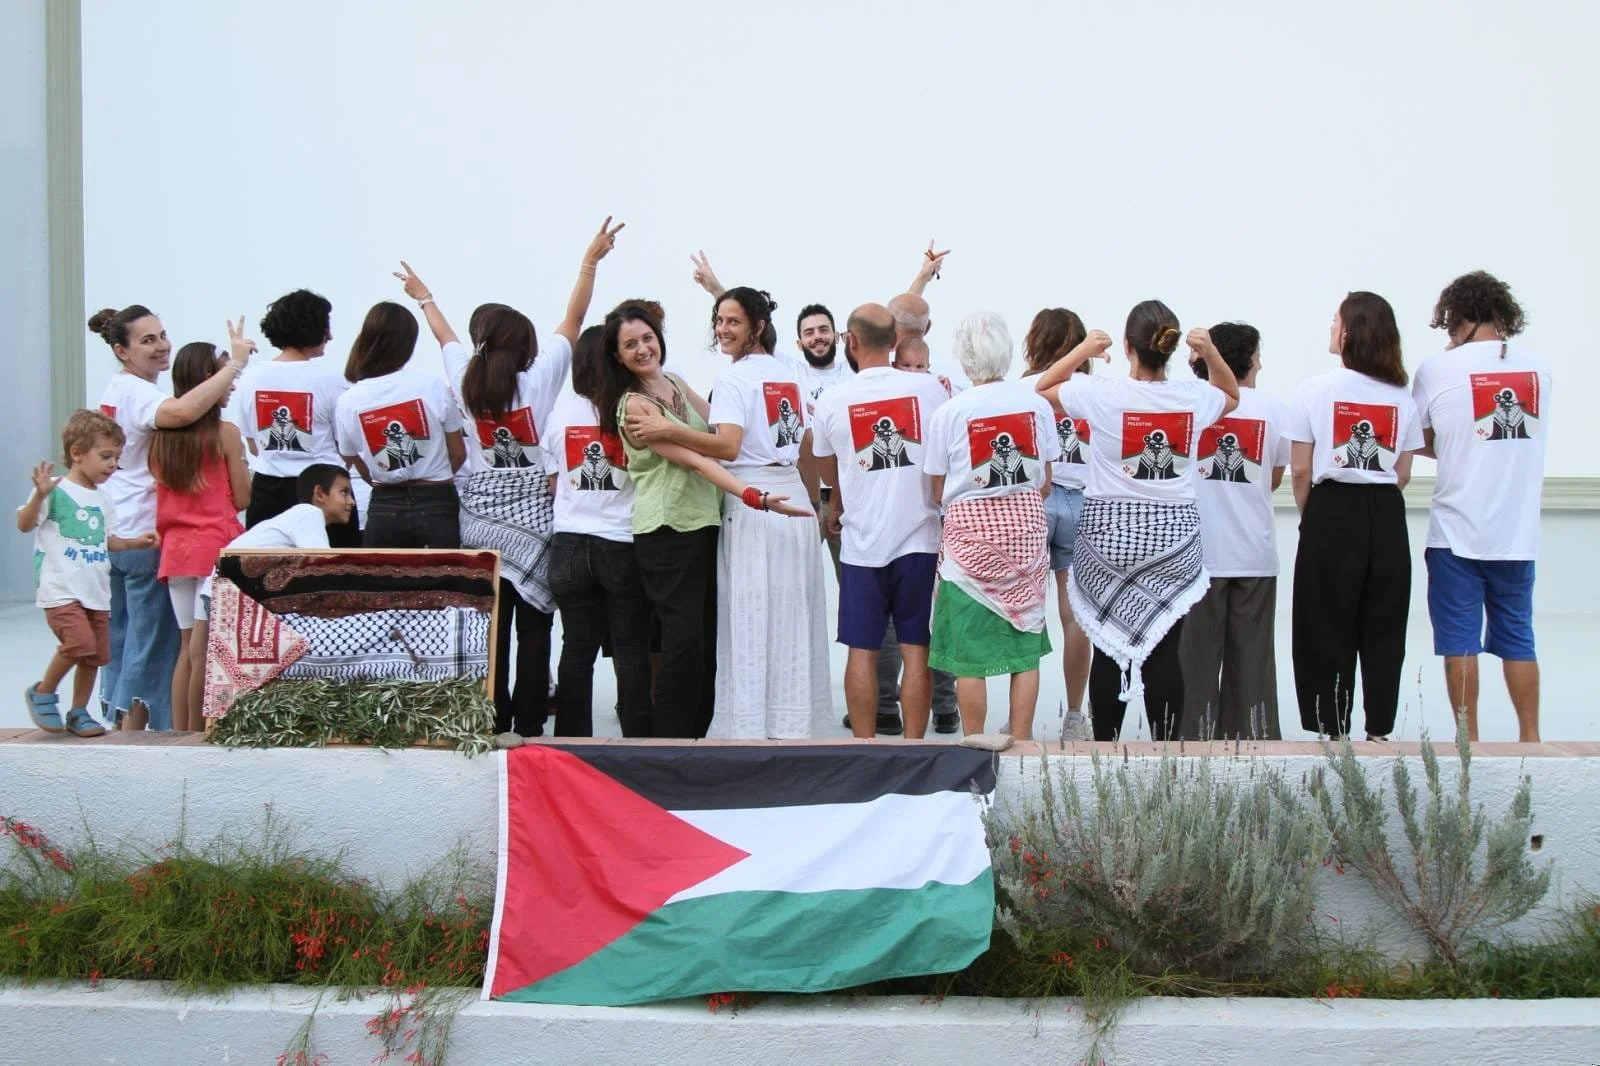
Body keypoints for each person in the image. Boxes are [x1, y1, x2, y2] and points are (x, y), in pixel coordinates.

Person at [397, 220, 620, 737]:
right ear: (524, 347)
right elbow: (575, 317)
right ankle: (529, 725)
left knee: (492, 627)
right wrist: (590, 261)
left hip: (478, 518)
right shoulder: (538, 381)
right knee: (537, 623)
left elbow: (445, 334)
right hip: (534, 516)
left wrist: (424, 296)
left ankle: (491, 719)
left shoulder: (462, 377)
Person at [625, 287, 830, 738]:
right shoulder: (788, 372)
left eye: (732, 321)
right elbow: (807, 447)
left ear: (757, 326)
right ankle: (795, 724)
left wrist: (666, 426)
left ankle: (750, 727)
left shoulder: (738, 379)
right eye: (718, 320)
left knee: (750, 616)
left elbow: (727, 445)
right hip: (792, 496)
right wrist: (814, 504)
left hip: (753, 500)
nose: (722, 329)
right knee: (793, 616)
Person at [1034, 302, 1239, 742]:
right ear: (1171, 348)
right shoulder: (1192, 396)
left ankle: (1105, 749)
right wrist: (1212, 356)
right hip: (1173, 538)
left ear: (1127, 347)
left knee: (1108, 647)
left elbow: (1045, 385)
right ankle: (1167, 755)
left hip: (1109, 535)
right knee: (1166, 648)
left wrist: (1084, 348)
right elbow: (1232, 396)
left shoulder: (1101, 393)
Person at [93, 306, 253, 730]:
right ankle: (135, 737)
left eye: (162, 335)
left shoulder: (118, 387)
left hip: (130, 537)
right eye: (147, 340)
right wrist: (235, 363)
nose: (161, 344)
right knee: (152, 648)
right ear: (121, 350)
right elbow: (182, 413)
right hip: (147, 539)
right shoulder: (144, 396)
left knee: (128, 642)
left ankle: (119, 727)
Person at [1413, 271, 1551, 742]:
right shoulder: (1539, 369)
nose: (1449, 335)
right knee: (1518, 638)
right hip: (1516, 532)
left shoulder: (1436, 369)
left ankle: (1467, 744)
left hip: (1455, 530)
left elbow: (1420, 440)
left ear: (1460, 316)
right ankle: (1530, 739)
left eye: (1450, 325)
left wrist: (1458, 442)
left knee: (1459, 643)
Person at [1286, 292, 1424, 740]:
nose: (1330, 329)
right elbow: (1402, 471)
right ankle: (1380, 729)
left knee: (1324, 623)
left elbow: (1302, 470)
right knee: (1384, 622)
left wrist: (1316, 517)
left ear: (1348, 332)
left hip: (1330, 507)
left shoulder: (1313, 390)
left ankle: (1332, 730)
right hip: (1386, 513)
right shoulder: (1402, 397)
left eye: (1334, 321)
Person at [812, 304, 951, 738]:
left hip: (862, 543)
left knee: (862, 649)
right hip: (920, 540)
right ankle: (913, 749)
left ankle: (866, 748)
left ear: (849, 343)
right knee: (916, 648)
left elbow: (825, 465)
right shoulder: (930, 390)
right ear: (895, 342)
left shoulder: (832, 399)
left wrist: (836, 504)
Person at [924, 311, 1060, 738]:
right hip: (1026, 535)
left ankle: (974, 742)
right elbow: (1046, 481)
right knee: (1025, 648)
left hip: (968, 544)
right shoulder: (1037, 405)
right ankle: (1020, 740)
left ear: (964, 359)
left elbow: (936, 489)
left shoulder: (949, 412)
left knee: (968, 655)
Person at [1176, 322, 1290, 741]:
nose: (1261, 362)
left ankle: (1190, 761)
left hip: (1197, 555)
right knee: (1253, 671)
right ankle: (1258, 763)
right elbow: (1273, 477)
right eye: (1258, 353)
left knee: (1196, 669)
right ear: (1246, 357)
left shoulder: (1191, 404)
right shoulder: (1275, 410)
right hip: (1254, 554)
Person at [541, 325, 652, 737]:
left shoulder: (558, 412)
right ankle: (640, 743)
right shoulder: (631, 407)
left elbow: (554, 483)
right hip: (620, 542)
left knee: (576, 648)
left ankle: (572, 744)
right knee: (630, 649)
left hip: (568, 543)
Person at [18, 411, 158, 737]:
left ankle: (79, 712)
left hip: (96, 591)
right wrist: (39, 495)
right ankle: (42, 692)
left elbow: (108, 541)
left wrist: (135, 542)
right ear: (77, 453)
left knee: (95, 656)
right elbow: (24, 524)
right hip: (61, 589)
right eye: (105, 456)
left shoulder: (103, 499)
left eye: (117, 459)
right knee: (79, 643)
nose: (112, 465)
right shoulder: (54, 490)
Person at [150, 342, 251, 731]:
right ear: (207, 380)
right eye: (226, 374)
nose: (231, 384)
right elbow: (241, 498)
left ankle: (180, 731)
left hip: (176, 553)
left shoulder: (160, 437)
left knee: (185, 648)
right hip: (214, 550)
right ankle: (199, 733)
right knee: (205, 650)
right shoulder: (226, 433)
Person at [1017, 309, 1096, 741]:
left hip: (1036, 501)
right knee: (1075, 616)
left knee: (1026, 611)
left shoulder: (1022, 388)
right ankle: (1074, 716)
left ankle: (1020, 716)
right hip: (1083, 502)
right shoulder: (1094, 390)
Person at [234, 289, 361, 546]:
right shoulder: (332, 381)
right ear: (313, 328)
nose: (330, 336)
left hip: (267, 491)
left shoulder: (250, 379)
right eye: (326, 327)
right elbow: (348, 447)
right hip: (322, 491)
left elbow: (253, 444)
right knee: (337, 573)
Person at [334, 302, 466, 549]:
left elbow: (352, 458)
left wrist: (381, 476)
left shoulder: (348, 400)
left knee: (383, 584)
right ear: (409, 342)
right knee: (444, 583)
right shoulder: (431, 384)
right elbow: (458, 453)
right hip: (437, 500)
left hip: (384, 504)